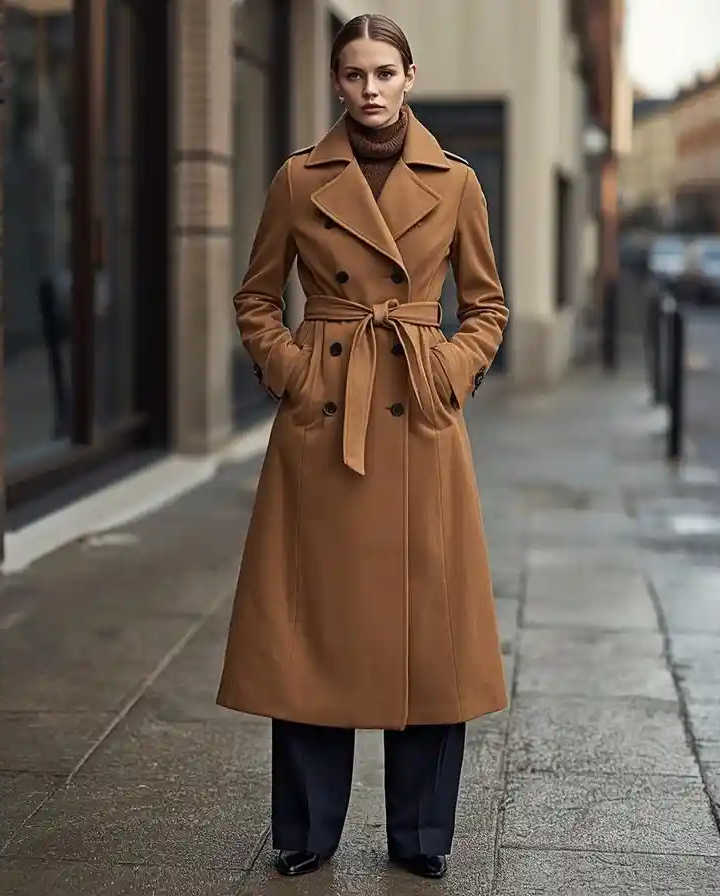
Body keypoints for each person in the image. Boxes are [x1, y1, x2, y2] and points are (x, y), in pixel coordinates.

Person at [216, 13, 509, 881]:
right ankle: (307, 831)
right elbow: (257, 296)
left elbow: (487, 305)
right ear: (336, 83)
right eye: (354, 75)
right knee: (314, 630)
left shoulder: (455, 182)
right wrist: (294, 371)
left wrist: (448, 371)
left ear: (410, 77)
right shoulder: (300, 180)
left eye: (385, 72)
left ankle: (421, 837)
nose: (370, 89)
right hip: (325, 418)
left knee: (429, 635)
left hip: (418, 417)